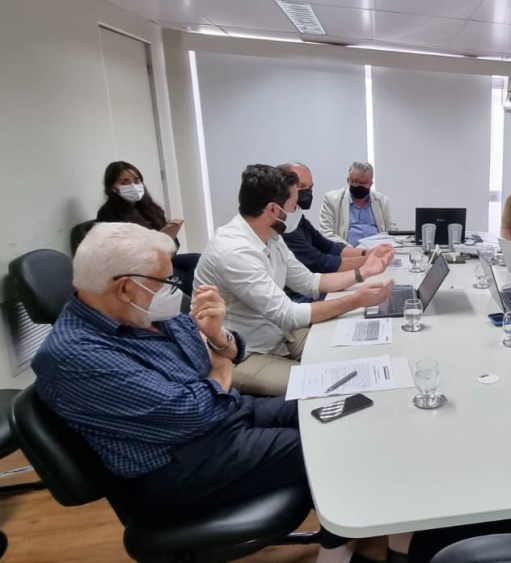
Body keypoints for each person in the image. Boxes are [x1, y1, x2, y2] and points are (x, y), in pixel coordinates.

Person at [30, 222, 367, 562]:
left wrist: (218, 338)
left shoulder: (141, 311)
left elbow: (229, 352)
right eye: (165, 280)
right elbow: (193, 411)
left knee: (341, 409)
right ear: (125, 288)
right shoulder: (73, 355)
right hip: (177, 465)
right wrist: (220, 369)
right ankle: (337, 553)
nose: (173, 288)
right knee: (324, 446)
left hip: (226, 415)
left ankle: (347, 537)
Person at [194, 164, 395, 396]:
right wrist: (356, 300)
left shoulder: (271, 235)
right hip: (244, 352)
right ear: (273, 209)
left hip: (279, 335)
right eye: (293, 204)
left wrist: (364, 272)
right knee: (330, 384)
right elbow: (288, 314)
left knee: (353, 355)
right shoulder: (234, 252)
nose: (297, 209)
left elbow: (310, 282)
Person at [96, 160, 200, 295]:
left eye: (137, 181)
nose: (133, 186)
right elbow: (120, 254)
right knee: (183, 278)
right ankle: (191, 303)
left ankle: (193, 301)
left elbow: (172, 249)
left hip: (159, 260)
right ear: (112, 187)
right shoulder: (108, 213)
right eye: (125, 182)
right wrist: (154, 244)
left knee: (196, 259)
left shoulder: (149, 208)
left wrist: (170, 235)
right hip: (137, 269)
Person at [282, 162, 389, 276]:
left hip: (318, 277)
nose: (308, 192)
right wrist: (368, 260)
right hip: (312, 280)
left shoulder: (297, 217)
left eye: (310, 187)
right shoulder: (285, 226)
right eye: (302, 186)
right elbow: (318, 262)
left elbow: (327, 246)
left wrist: (367, 253)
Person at [320, 162, 392, 246]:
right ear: (348, 181)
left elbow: (390, 230)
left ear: (371, 184)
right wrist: (352, 251)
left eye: (364, 183)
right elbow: (326, 233)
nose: (360, 186)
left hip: (377, 250)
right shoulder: (332, 199)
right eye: (356, 182)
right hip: (347, 251)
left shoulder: (382, 200)